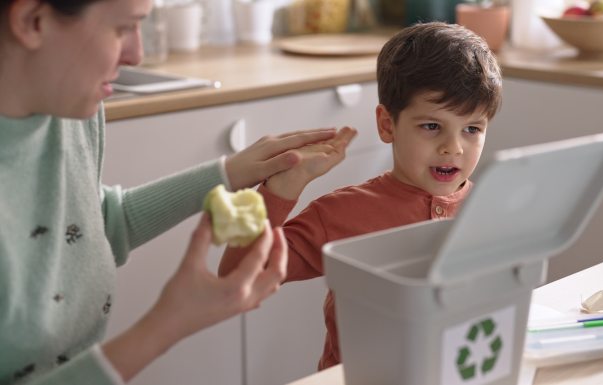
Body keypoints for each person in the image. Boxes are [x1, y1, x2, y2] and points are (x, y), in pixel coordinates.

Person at [0, 0, 356, 383]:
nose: (136, 53)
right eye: (123, 28)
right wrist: (168, 324)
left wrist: (227, 173)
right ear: (32, 20)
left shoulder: (67, 107)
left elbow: (89, 224)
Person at [219, 22, 503, 370]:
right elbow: (236, 280)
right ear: (387, 125)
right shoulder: (341, 213)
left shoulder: (489, 209)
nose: (453, 148)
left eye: (472, 129)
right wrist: (281, 190)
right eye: (431, 126)